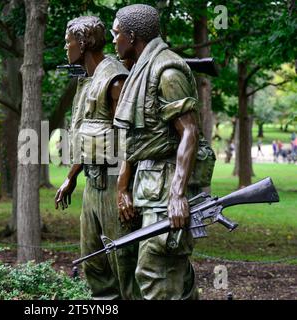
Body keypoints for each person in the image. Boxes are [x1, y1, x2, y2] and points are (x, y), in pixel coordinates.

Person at [112, 4, 214, 299]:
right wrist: (124, 187)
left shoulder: (167, 71)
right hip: (150, 185)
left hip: (166, 188)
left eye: (116, 34)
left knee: (156, 271)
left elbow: (189, 132)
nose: (114, 40)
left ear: (131, 36)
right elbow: (137, 137)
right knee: (170, 277)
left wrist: (178, 194)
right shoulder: (139, 70)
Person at [54, 16, 141, 300]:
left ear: (82, 43)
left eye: (68, 42)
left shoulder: (115, 79)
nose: (65, 48)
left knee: (123, 265)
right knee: (94, 263)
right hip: (92, 184)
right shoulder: (87, 81)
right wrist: (70, 177)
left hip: (114, 180)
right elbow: (88, 138)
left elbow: (130, 138)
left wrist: (123, 188)